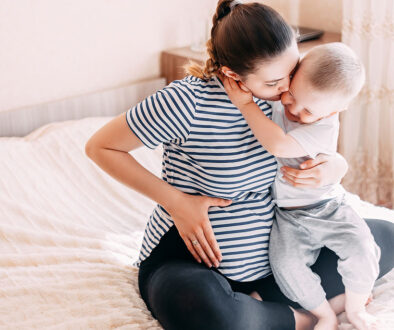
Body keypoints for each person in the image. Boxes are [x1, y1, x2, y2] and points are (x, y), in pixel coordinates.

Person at [85, 1, 394, 329]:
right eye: (275, 82)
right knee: (198, 305)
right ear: (233, 75)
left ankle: (260, 307)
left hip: (279, 255)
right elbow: (100, 146)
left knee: (384, 238)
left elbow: (317, 139)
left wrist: (336, 165)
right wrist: (176, 201)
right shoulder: (185, 102)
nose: (287, 91)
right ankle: (299, 317)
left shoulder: (286, 99)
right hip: (194, 261)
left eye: (292, 73)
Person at [222, 42, 380, 330]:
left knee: (362, 248)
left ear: (337, 110)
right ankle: (323, 313)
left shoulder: (325, 126)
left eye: (308, 110)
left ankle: (356, 307)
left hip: (327, 207)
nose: (294, 110)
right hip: (288, 216)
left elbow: (279, 144)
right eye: (291, 95)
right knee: (286, 267)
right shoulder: (281, 100)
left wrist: (244, 105)